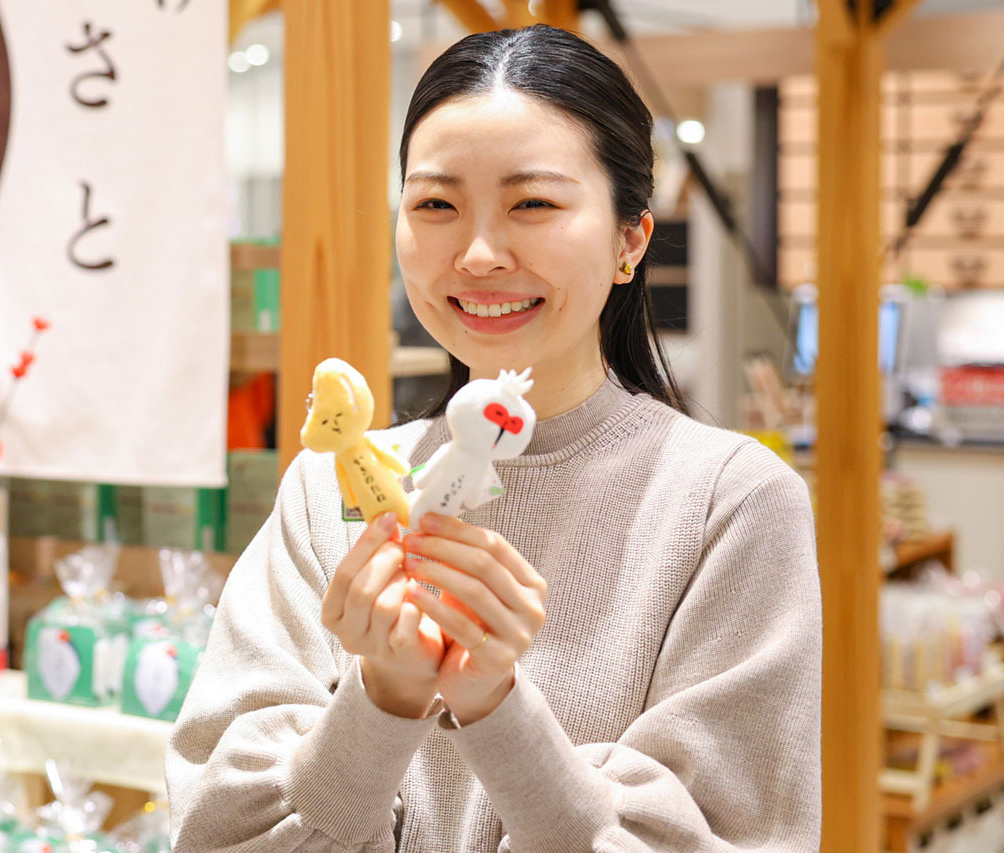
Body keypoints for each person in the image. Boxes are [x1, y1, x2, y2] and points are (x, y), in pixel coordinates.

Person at [167, 24, 821, 852]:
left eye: (533, 204)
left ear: (630, 240)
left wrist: (494, 704)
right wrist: (383, 696)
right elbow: (216, 832)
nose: (477, 255)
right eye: (436, 205)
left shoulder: (730, 505)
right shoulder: (326, 492)